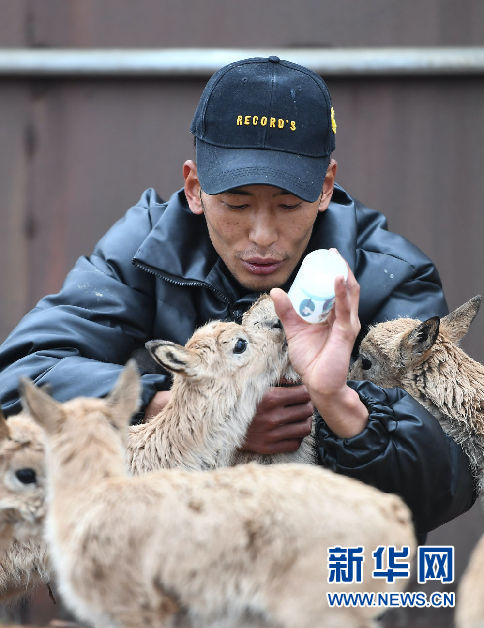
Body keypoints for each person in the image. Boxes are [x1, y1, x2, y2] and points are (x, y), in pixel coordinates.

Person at [0, 56, 475, 538]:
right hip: (164, 564)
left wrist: (337, 407)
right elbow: (18, 379)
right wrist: (180, 408)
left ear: (326, 187)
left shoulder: (390, 274)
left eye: (288, 205)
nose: (262, 235)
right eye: (236, 204)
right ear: (194, 188)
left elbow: (453, 477)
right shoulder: (145, 247)